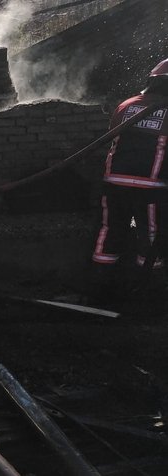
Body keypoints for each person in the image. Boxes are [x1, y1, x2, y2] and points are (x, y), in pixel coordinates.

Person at [91, 58, 168, 300]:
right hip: (150, 187)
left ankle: (101, 284)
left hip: (113, 182)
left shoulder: (126, 105)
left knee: (111, 229)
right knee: (150, 234)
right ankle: (149, 289)